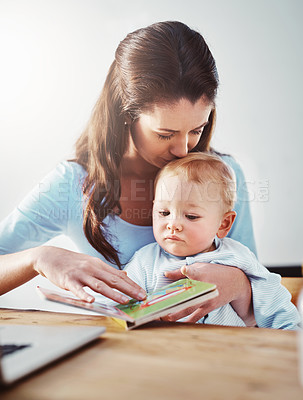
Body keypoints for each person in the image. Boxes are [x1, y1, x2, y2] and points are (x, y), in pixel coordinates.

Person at [0, 21, 256, 323]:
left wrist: (240, 285)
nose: (183, 150)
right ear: (126, 115)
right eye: (164, 134)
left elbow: (255, 286)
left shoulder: (225, 175)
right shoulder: (72, 184)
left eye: (196, 130)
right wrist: (39, 258)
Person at [120, 152, 300, 329]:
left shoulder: (238, 257)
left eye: (191, 216)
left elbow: (277, 307)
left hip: (232, 351)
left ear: (223, 223)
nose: (173, 224)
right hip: (169, 350)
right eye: (164, 213)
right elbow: (117, 304)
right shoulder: (144, 261)